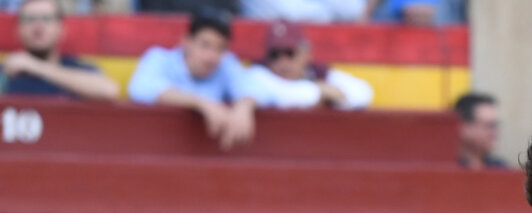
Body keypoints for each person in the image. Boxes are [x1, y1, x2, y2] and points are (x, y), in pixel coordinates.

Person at [127, 7, 258, 151]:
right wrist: (202, 103)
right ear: (187, 41)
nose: (211, 56)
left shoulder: (227, 63)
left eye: (220, 48)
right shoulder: (159, 58)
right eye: (205, 45)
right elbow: (140, 87)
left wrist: (244, 107)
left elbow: (255, 86)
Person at [0, 0, 120, 101]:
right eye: (30, 19)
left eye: (46, 19)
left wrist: (33, 65)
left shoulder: (77, 68)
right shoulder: (1, 71)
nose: (38, 26)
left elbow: (109, 91)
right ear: (18, 29)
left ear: (61, 29)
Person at [243, 19, 373, 110]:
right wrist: (320, 92)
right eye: (275, 55)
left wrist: (334, 96)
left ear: (306, 54)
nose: (282, 63)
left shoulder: (316, 71)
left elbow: (363, 93)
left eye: (290, 53)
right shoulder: (259, 73)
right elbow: (283, 96)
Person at [454, 91, 506, 170]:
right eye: (489, 126)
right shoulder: (446, 169)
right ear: (463, 127)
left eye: (495, 125)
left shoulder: (500, 169)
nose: (494, 133)